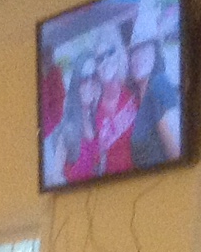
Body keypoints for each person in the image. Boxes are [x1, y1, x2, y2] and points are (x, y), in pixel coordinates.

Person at [127, 11, 182, 169]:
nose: (138, 57)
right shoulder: (136, 95)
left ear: (155, 52)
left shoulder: (159, 84)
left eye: (144, 48)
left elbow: (177, 153)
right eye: (134, 52)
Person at [89, 30, 138, 179]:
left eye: (110, 53)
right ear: (96, 67)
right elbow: (95, 166)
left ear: (119, 54)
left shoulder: (135, 92)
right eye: (99, 59)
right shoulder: (93, 111)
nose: (105, 61)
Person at [46, 56, 101, 186]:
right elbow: (56, 176)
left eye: (94, 77)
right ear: (76, 84)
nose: (89, 84)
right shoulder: (67, 127)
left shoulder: (98, 118)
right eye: (84, 79)